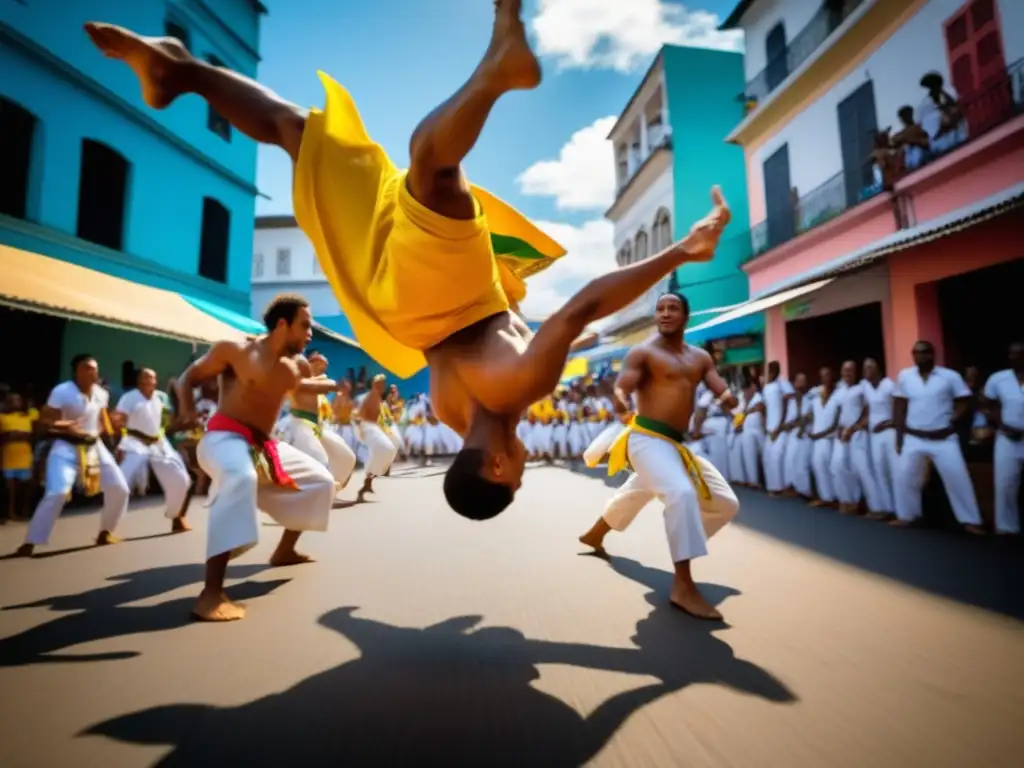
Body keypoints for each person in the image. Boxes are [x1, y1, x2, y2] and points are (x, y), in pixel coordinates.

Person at [84, 3, 732, 522]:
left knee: (432, 165)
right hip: (397, 306)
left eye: (520, 477)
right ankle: (182, 71)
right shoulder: (459, 410)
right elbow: (541, 335)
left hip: (441, 296)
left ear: (500, 471)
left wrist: (683, 250)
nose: (527, 464)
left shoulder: (519, 388)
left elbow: (583, 303)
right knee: (299, 134)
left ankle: (494, 72)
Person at [175, 295, 338, 621]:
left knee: (322, 482)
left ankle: (285, 550)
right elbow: (187, 378)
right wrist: (188, 410)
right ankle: (210, 593)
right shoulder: (233, 351)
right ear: (282, 324)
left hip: (264, 446)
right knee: (240, 477)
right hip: (223, 438)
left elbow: (306, 385)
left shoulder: (296, 367)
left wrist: (331, 382)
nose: (310, 334)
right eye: (305, 326)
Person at [578, 293, 740, 620]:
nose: (665, 313)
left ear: (685, 317)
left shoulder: (700, 358)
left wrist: (728, 398)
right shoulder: (643, 353)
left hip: (675, 446)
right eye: (660, 309)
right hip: (645, 439)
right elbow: (624, 386)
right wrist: (621, 401)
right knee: (679, 493)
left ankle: (597, 533)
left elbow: (718, 386)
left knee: (725, 503)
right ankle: (683, 585)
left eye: (673, 308)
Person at [16, 355, 130, 556]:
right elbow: (45, 421)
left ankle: (106, 532)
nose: (92, 372)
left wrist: (113, 426)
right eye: (87, 368)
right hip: (66, 447)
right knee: (57, 493)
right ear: (76, 371)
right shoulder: (62, 391)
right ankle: (30, 542)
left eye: (94, 368)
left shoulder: (101, 393)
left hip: (95, 447)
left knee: (120, 488)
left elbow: (102, 420)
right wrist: (65, 426)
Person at [892, 341, 984, 534]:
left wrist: (954, 418)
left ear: (932, 354)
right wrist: (899, 437)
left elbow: (965, 401)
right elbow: (899, 406)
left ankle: (971, 521)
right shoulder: (905, 376)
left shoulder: (949, 376)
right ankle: (907, 516)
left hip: (943, 437)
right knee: (904, 477)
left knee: (958, 478)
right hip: (914, 436)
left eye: (924, 353)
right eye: (916, 353)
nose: (920, 356)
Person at [115, 368, 193, 532]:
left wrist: (184, 421)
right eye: (145, 377)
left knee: (182, 480)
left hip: (158, 444)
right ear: (139, 381)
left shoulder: (161, 398)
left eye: (152, 378)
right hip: (135, 443)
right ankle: (107, 528)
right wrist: (118, 434)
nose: (149, 380)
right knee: (119, 483)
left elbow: (166, 423)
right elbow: (119, 419)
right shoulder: (129, 398)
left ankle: (176, 516)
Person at [277, 351, 357, 493]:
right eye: (319, 364)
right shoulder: (297, 378)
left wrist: (319, 381)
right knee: (319, 463)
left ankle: (325, 490)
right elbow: (325, 386)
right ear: (310, 363)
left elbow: (329, 384)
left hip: (318, 427)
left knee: (347, 458)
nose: (323, 368)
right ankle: (313, 494)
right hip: (300, 425)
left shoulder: (318, 380)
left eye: (325, 365)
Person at [983, 342, 1024, 535]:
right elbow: (988, 403)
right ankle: (1007, 527)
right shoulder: (998, 379)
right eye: (1013, 354)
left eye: (1020, 354)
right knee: (1005, 483)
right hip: (1007, 436)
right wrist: (1002, 424)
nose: (1016, 357)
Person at [861, 358, 898, 520]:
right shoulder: (866, 387)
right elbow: (868, 410)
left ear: (878, 369)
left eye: (870, 367)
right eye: (865, 367)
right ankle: (886, 508)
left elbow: (901, 408)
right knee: (879, 471)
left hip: (890, 433)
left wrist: (887, 423)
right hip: (874, 436)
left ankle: (900, 510)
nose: (867, 370)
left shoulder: (889, 384)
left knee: (893, 471)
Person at [354, 375, 399, 502]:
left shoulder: (379, 398)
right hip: (367, 427)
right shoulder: (368, 396)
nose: (381, 385)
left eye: (383, 383)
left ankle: (368, 481)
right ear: (373, 384)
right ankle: (369, 477)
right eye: (378, 383)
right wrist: (360, 428)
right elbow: (360, 414)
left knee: (387, 450)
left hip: (374, 428)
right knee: (387, 448)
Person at [1, 391, 38, 521]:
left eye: (17, 400)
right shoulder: (2, 417)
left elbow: (36, 414)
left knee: (25, 487)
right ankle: (10, 513)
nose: (15, 402)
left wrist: (17, 435)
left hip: (25, 457)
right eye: (11, 400)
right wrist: (9, 436)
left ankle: (24, 511)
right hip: (8, 457)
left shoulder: (28, 415)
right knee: (9, 489)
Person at [807, 367, 840, 509]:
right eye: (822, 376)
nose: (825, 378)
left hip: (830, 439)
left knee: (832, 469)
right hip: (817, 440)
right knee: (818, 467)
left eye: (827, 375)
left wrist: (820, 434)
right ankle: (825, 497)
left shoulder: (838, 395)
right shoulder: (816, 395)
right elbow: (810, 414)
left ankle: (836, 498)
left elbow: (836, 422)